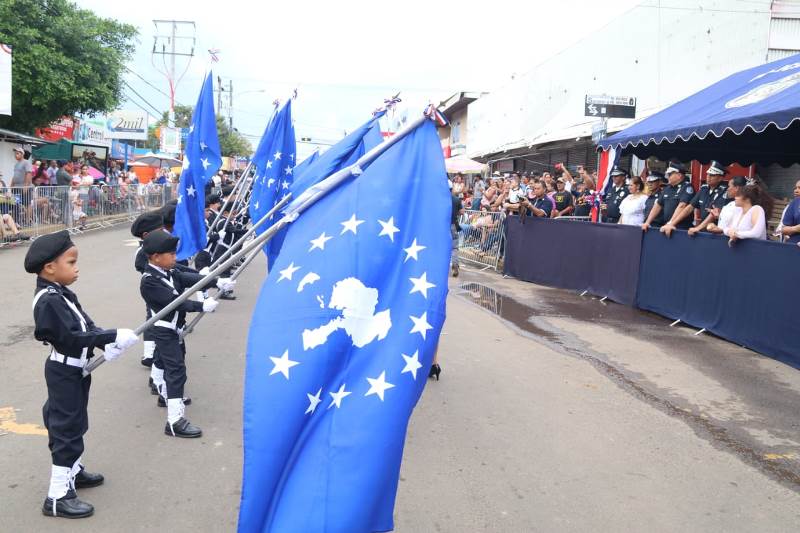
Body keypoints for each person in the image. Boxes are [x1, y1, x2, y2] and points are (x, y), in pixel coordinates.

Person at [25, 231, 138, 518]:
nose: (76, 268)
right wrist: (112, 335)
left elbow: (85, 325)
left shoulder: (62, 293)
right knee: (67, 429)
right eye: (71, 262)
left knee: (74, 423)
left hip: (76, 369)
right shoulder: (48, 300)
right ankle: (57, 496)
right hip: (64, 370)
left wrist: (104, 342)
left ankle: (72, 471)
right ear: (50, 267)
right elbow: (71, 337)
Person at [139, 230, 231, 438]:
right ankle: (174, 421)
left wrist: (216, 281)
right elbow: (174, 303)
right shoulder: (149, 281)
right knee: (176, 370)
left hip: (174, 328)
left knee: (163, 360)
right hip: (164, 330)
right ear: (155, 257)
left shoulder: (168, 271)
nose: (175, 257)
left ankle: (164, 394)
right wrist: (201, 306)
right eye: (171, 254)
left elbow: (188, 277)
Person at [669, 160, 728, 234]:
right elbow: (689, 207)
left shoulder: (724, 191)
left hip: (716, 232)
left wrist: (698, 228)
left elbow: (713, 214)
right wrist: (672, 223)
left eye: (712, 175)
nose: (708, 177)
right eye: (708, 174)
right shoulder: (704, 189)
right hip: (703, 230)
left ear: (720, 178)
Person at [642, 161, 694, 235]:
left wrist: (671, 223)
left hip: (681, 228)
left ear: (679, 175)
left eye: (670, 174)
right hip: (666, 226)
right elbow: (658, 205)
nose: (667, 176)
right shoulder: (668, 188)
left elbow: (682, 206)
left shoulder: (687, 187)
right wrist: (647, 222)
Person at [779, 179, 800, 244]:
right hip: (793, 245)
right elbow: (784, 229)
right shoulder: (795, 203)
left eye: (799, 188)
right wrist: (796, 228)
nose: (796, 191)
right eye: (795, 188)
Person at [451, 186, 463, 277]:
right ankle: (455, 264)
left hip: (442, 227)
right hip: (453, 226)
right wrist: (455, 212)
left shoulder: (440, 199)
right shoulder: (456, 199)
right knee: (454, 248)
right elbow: (462, 212)